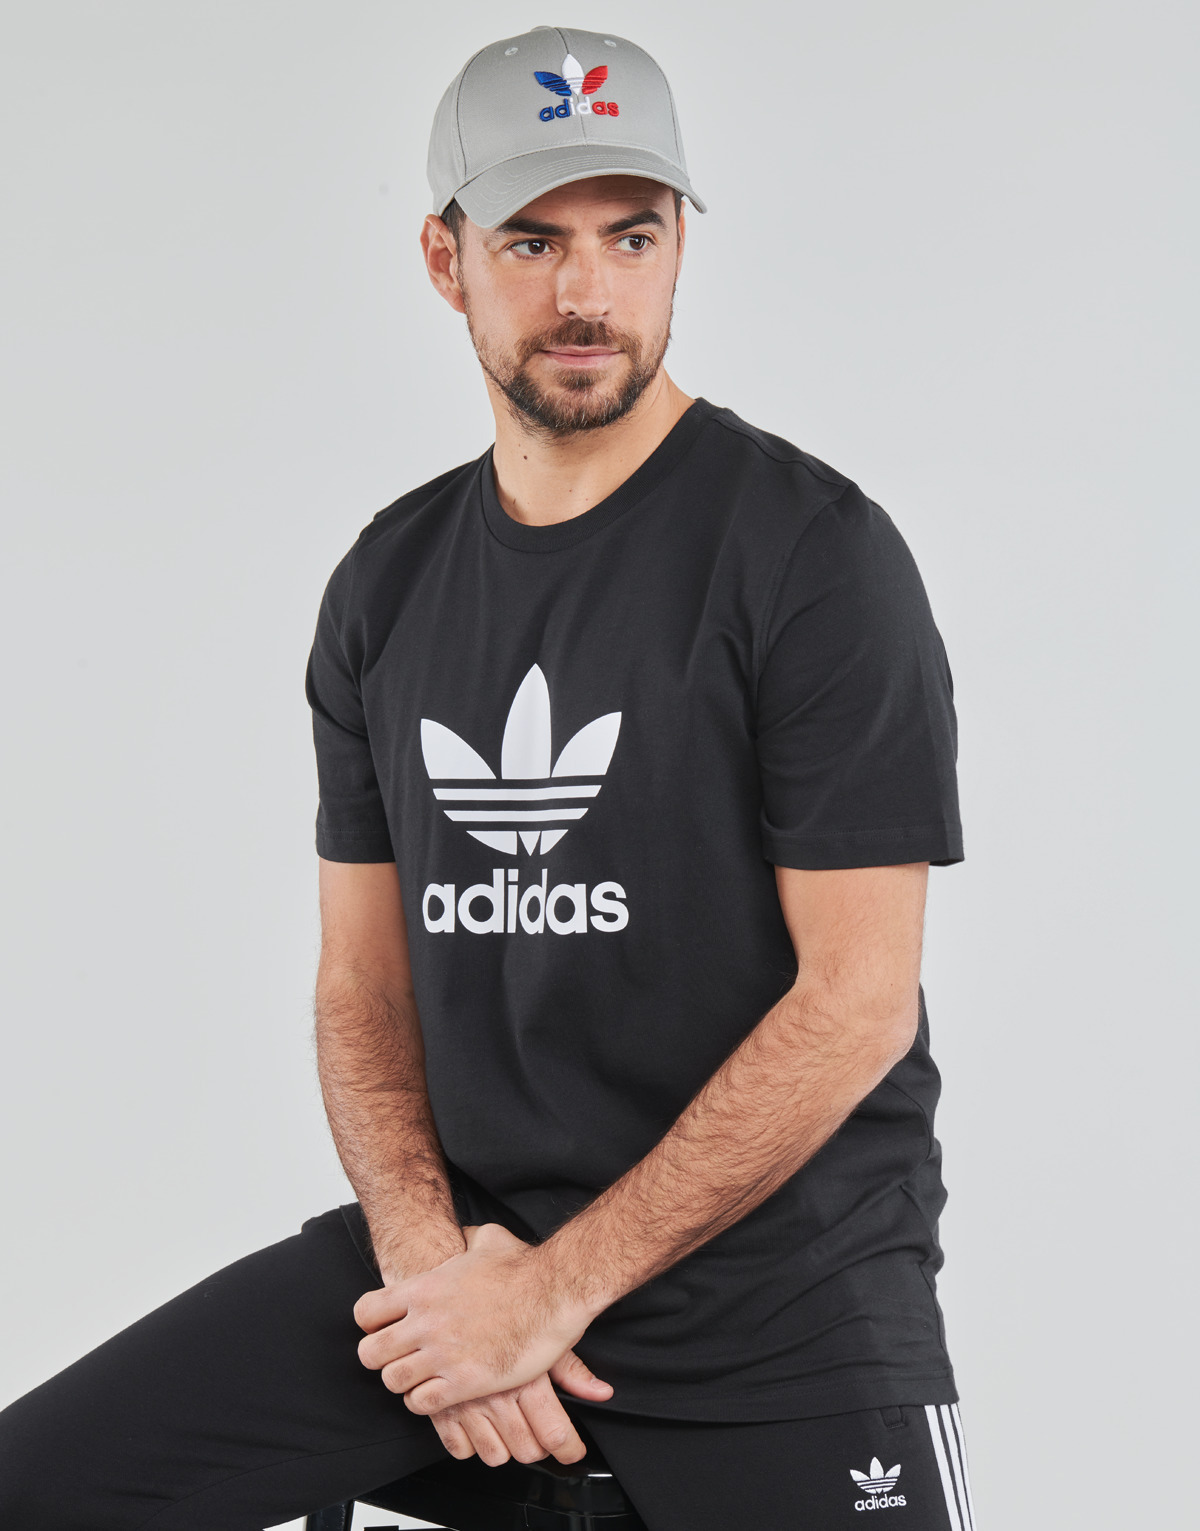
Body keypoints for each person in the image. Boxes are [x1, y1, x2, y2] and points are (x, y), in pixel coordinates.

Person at [0, 24, 979, 1531]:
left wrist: (552, 1295)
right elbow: (361, 986)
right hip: (463, 1264)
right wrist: (436, 1274)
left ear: (679, 246)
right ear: (444, 260)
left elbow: (857, 1004)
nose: (586, 293)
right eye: (531, 241)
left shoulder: (812, 555)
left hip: (777, 1314)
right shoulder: (387, 584)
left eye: (629, 237)